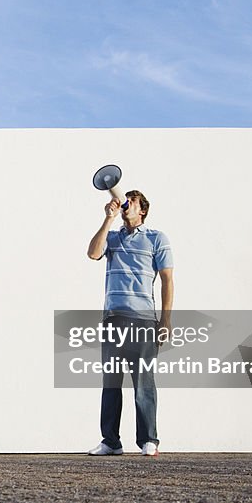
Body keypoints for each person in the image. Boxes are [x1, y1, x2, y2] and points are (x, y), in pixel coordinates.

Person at [85, 190, 174, 456]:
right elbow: (92, 253)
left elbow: (168, 280)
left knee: (143, 382)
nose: (126, 204)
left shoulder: (156, 239)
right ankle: (111, 441)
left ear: (142, 210)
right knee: (111, 382)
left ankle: (149, 440)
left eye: (131, 201)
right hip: (113, 319)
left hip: (144, 320)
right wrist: (108, 220)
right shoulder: (112, 237)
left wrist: (166, 320)